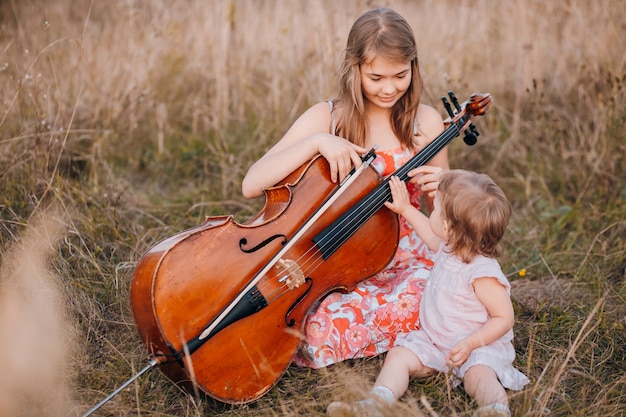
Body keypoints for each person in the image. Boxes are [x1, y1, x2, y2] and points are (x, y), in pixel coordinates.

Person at [241, 7, 449, 368]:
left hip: (409, 258)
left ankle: (415, 341)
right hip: (338, 261)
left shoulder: (426, 122)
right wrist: (317, 142)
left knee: (440, 296)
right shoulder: (328, 117)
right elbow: (252, 182)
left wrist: (445, 188)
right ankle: (418, 340)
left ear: (413, 68)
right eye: (376, 77)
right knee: (317, 329)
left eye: (400, 76)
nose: (389, 88)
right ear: (355, 69)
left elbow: (440, 225)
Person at [327, 169, 530, 417]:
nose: (430, 213)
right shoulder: (449, 247)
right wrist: (405, 208)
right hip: (435, 341)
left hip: (476, 345)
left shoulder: (483, 274)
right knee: (399, 355)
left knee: (478, 375)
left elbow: (504, 318)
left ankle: (494, 409)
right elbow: (427, 232)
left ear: (445, 226)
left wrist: (471, 343)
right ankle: (377, 403)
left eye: (434, 209)